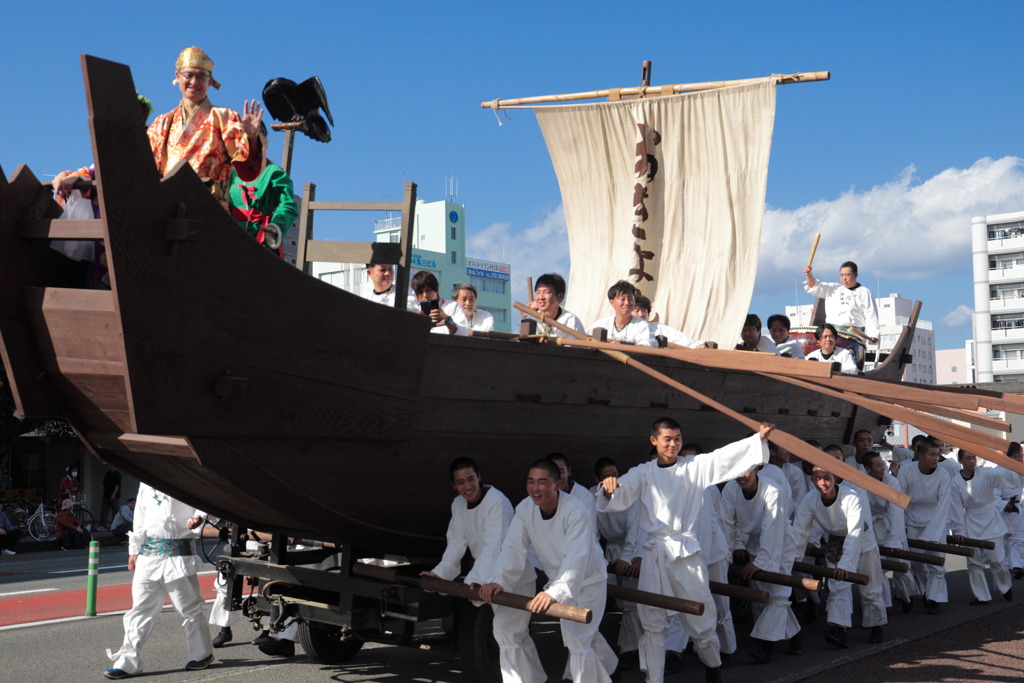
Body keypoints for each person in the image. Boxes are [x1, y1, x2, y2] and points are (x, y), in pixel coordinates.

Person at [597, 417, 775, 683]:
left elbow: (723, 458)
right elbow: (619, 492)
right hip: (655, 553)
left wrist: (757, 440)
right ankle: (654, 678)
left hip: (686, 554)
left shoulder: (695, 466)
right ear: (654, 441)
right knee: (652, 620)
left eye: (677, 438)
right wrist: (609, 489)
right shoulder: (642, 472)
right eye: (667, 439)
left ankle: (712, 664)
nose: (673, 444)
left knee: (701, 614)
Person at [480, 460, 617, 683]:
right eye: (531, 482)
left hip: (588, 581)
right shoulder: (525, 508)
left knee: (577, 641)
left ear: (557, 484)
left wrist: (554, 593)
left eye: (542, 482)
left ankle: (606, 673)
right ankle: (611, 670)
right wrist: (499, 580)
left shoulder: (575, 510)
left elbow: (577, 558)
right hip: (559, 582)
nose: (535, 488)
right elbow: (512, 548)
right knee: (579, 639)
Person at [421, 458, 544, 683]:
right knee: (514, 634)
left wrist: (475, 580)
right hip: (490, 576)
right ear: (454, 486)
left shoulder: (497, 501)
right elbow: (456, 543)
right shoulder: (458, 504)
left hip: (513, 573)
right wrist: (439, 574)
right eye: (460, 483)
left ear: (480, 478)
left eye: (471, 479)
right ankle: (537, 680)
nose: (467, 487)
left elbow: (495, 546)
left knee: (507, 633)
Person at [104, 483, 214, 679]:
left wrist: (200, 517)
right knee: (140, 609)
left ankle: (202, 653)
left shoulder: (187, 474)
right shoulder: (147, 479)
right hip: (148, 554)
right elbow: (140, 515)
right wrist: (134, 548)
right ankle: (128, 661)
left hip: (179, 554)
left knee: (188, 608)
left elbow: (208, 498)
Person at [148, 46, 265, 204]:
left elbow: (247, 170)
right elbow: (147, 168)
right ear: (178, 76)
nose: (194, 82)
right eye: (188, 75)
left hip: (210, 204)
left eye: (201, 77)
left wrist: (251, 137)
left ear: (210, 81)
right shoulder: (162, 122)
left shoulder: (224, 117)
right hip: (167, 201)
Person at [789, 465, 887, 647]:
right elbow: (800, 530)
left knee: (870, 589)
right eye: (817, 478)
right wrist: (792, 559)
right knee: (837, 587)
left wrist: (846, 565)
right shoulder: (810, 499)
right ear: (812, 480)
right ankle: (839, 629)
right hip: (835, 543)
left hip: (862, 541)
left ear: (835, 478)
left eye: (826, 477)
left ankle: (876, 625)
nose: (822, 483)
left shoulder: (851, 497)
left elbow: (855, 532)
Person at [720, 467, 801, 663]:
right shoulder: (731, 489)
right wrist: (726, 556)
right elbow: (726, 524)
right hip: (754, 543)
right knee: (762, 600)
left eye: (747, 471)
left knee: (778, 596)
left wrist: (761, 562)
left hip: (781, 545)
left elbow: (773, 528)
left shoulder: (773, 490)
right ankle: (796, 637)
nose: (742, 476)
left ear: (757, 469)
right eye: (737, 471)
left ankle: (763, 646)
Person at [590, 457, 643, 670]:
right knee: (610, 599)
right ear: (597, 480)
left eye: (615, 474)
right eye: (606, 476)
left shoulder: (628, 491)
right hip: (609, 551)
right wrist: (600, 559)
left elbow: (635, 527)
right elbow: (592, 533)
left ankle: (633, 649)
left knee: (633, 602)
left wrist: (627, 557)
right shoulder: (592, 495)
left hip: (633, 547)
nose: (612, 479)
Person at [950, 450, 1013, 605]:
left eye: (974, 458)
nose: (972, 461)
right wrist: (959, 530)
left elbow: (1002, 476)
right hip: (970, 521)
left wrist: (1009, 463)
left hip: (991, 520)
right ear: (960, 460)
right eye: (968, 458)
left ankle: (1005, 586)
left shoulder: (986, 473)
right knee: (974, 564)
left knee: (997, 560)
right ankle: (981, 596)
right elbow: (956, 508)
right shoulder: (955, 482)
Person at [897, 438, 952, 615]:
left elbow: (943, 505)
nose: (936, 458)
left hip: (936, 522)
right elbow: (899, 499)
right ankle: (924, 592)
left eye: (937, 454)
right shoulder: (906, 470)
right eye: (931, 454)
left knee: (937, 565)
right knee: (917, 564)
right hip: (912, 520)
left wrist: (932, 534)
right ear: (920, 456)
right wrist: (898, 528)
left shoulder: (943, 475)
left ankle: (935, 599)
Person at [862, 452, 916, 611]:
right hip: (874, 527)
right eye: (878, 465)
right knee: (877, 569)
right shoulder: (862, 482)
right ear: (867, 468)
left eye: (882, 464)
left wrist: (894, 538)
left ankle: (907, 597)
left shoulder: (891, 481)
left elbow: (896, 511)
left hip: (892, 524)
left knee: (902, 566)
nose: (882, 468)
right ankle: (883, 604)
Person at [228, 153, 298, 256]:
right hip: (230, 236)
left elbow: (288, 204)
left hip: (261, 237)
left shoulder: (273, 171)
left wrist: (276, 225)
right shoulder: (227, 170)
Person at [802, 260, 880, 344]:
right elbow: (814, 285)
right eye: (842, 275)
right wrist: (809, 274)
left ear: (855, 275)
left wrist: (873, 334)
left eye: (847, 275)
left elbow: (871, 314)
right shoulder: (833, 289)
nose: (844, 278)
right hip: (832, 335)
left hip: (854, 336)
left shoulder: (865, 292)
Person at [587, 281, 656, 347]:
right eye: (622, 299)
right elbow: (585, 339)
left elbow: (648, 345)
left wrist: (623, 348)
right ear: (612, 303)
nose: (627, 303)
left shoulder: (642, 325)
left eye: (630, 299)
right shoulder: (600, 324)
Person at [632, 295, 714, 349]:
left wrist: (696, 346)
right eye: (637, 311)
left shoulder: (657, 327)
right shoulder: (624, 328)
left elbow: (679, 339)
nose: (641, 314)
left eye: (644, 311)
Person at [526, 273, 586, 337]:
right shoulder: (531, 319)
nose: (541, 297)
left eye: (546, 292)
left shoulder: (570, 320)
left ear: (559, 297)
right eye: (538, 292)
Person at [411, 271, 464, 335]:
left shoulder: (453, 306)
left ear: (437, 288)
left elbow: (464, 335)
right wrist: (417, 321)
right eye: (420, 292)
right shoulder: (412, 309)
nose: (425, 295)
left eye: (428, 290)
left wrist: (446, 318)